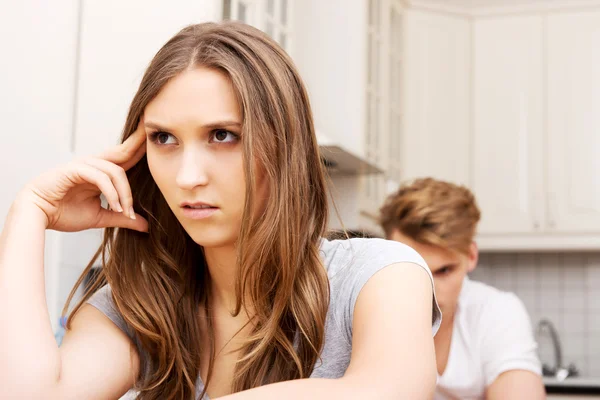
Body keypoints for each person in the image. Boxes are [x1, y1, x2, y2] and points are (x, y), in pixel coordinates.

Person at [0, 22, 441, 400]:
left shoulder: (379, 276)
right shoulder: (137, 306)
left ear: (285, 145)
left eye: (222, 135)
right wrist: (28, 213)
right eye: (164, 139)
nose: (188, 176)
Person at [379, 177, 545, 400]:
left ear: (471, 256)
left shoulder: (497, 311)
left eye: (444, 271)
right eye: (413, 270)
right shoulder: (369, 315)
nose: (428, 292)